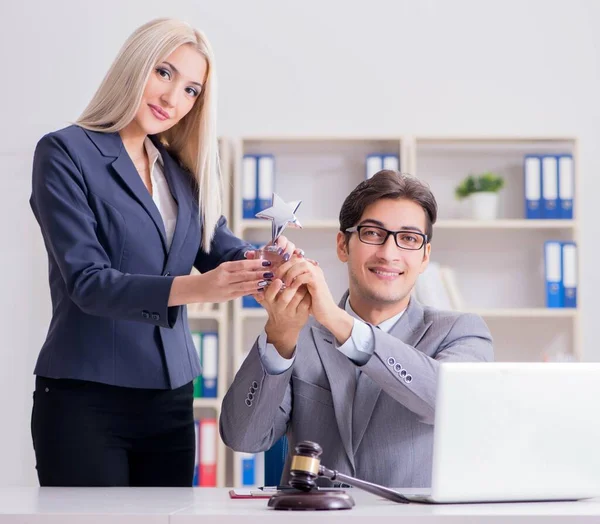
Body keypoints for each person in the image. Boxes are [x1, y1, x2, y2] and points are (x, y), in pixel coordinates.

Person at [29, 17, 298, 487]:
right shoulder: (65, 153)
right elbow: (88, 282)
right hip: (87, 396)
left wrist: (265, 259)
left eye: (192, 90)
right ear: (134, 67)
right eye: (165, 73)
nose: (173, 99)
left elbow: (218, 247)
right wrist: (198, 288)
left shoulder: (177, 168)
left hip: (171, 396)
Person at [220, 170, 494, 488]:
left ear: (424, 257)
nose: (389, 253)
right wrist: (279, 336)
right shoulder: (298, 335)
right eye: (373, 233)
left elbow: (448, 401)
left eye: (408, 239)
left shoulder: (462, 332)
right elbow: (243, 437)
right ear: (342, 245)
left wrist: (338, 322)